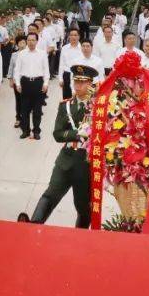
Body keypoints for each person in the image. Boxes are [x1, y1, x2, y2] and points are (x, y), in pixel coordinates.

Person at [17, 64, 96, 227]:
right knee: (50, 194)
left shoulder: (97, 108)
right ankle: (34, 224)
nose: (79, 86)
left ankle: (80, 236)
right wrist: (76, 134)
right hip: (65, 160)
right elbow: (57, 134)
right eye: (76, 82)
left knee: (82, 206)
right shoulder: (66, 105)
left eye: (83, 82)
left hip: (86, 163)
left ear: (90, 84)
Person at [10, 31, 48, 140]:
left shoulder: (42, 53)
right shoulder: (21, 54)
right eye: (29, 40)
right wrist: (17, 83)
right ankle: (25, 131)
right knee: (24, 109)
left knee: (37, 109)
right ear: (26, 41)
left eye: (33, 40)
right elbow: (17, 70)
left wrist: (45, 83)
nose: (31, 42)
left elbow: (46, 70)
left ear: (37, 41)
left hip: (38, 82)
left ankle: (36, 131)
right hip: (25, 83)